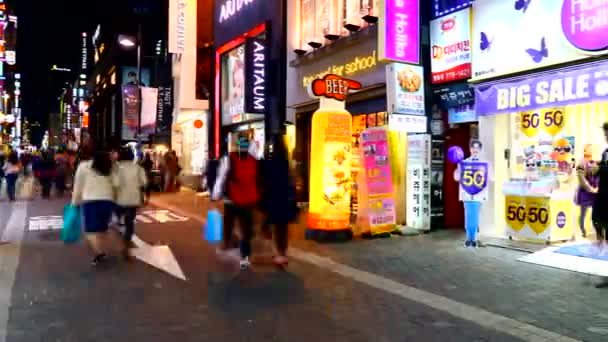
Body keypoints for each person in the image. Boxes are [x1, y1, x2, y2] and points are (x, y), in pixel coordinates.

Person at [212, 135, 262, 270]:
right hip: (249, 201)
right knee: (246, 231)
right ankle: (245, 258)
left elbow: (221, 178)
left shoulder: (229, 159)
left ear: (238, 145)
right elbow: (258, 180)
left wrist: (215, 195)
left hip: (232, 200)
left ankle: (226, 245)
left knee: (228, 223)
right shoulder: (254, 160)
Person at [72, 151, 124, 266]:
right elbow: (117, 184)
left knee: (90, 231)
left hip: (90, 202)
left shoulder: (83, 166)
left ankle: (99, 253)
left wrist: (75, 203)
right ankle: (117, 248)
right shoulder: (110, 167)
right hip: (107, 201)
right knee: (103, 228)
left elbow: (78, 186)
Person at [260, 135, 298, 267]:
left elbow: (263, 180)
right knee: (283, 227)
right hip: (286, 198)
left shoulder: (268, 161)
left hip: (273, 197)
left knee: (275, 227)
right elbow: (293, 181)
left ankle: (278, 254)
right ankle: (282, 253)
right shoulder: (287, 162)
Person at [113, 148, 147, 251]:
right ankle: (127, 239)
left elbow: (115, 184)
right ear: (132, 156)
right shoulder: (138, 168)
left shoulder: (117, 168)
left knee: (119, 212)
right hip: (133, 199)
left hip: (119, 199)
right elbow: (144, 183)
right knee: (130, 221)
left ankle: (118, 219)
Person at [591, 123, 608, 287]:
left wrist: (600, 168)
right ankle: (601, 239)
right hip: (603, 195)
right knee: (596, 218)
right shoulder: (606, 152)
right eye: (606, 134)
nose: (607, 137)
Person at [575, 147, 598, 238]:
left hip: (594, 191)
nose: (589, 152)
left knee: (595, 212)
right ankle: (583, 230)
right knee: (583, 213)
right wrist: (590, 188)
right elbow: (581, 179)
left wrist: (597, 188)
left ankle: (595, 231)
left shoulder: (595, 162)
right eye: (587, 150)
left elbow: (598, 177)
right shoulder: (581, 163)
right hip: (585, 192)